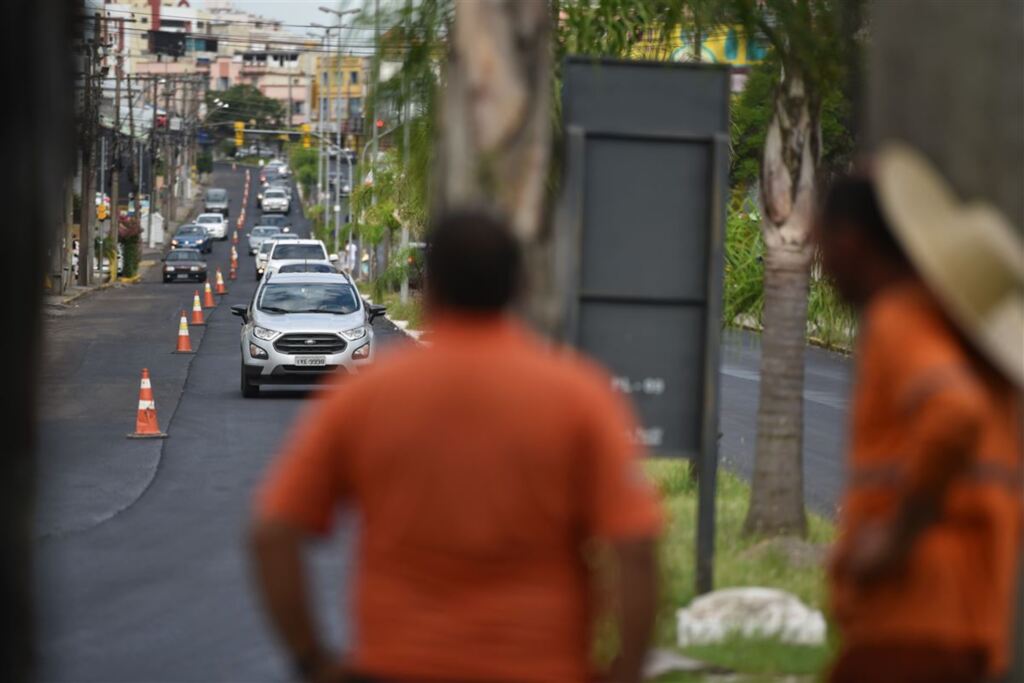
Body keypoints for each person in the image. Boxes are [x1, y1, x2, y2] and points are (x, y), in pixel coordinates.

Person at [250, 209, 662, 683]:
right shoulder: (579, 396)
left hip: (397, 666)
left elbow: (273, 533)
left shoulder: (364, 396)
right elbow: (635, 549)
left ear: (431, 289)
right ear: (519, 287)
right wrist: (626, 670)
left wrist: (313, 659)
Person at [817, 144, 1023, 683]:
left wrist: (897, 535)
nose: (824, 264)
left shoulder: (900, 319)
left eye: (822, 244)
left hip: (908, 617)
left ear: (850, 241)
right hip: (973, 624)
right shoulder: (989, 363)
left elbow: (953, 414)